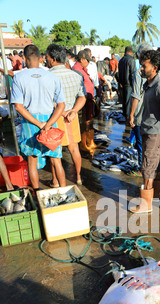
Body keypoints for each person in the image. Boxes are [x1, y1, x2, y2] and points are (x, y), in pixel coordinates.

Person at [10, 44, 66, 194]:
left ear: (25, 59)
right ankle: (65, 194)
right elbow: (61, 106)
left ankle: (37, 193)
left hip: (30, 122)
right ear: (40, 58)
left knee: (32, 161)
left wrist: (39, 124)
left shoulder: (19, 77)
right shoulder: (52, 77)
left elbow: (18, 107)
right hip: (50, 119)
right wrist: (48, 124)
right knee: (56, 160)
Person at [129, 50, 160, 214]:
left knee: (148, 167)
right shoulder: (147, 83)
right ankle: (153, 198)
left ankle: (145, 205)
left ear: (154, 67)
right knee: (154, 166)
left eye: (144, 66)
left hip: (155, 133)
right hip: (147, 129)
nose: (141, 68)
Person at [46, 44, 87, 187]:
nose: (46, 59)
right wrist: (73, 111)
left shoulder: (48, 76)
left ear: (53, 59)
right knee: (74, 148)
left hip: (55, 117)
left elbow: (49, 101)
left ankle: (56, 181)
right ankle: (79, 177)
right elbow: (82, 97)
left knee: (55, 152)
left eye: (47, 56)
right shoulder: (76, 75)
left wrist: (62, 112)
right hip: (71, 117)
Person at [128, 43, 153, 177]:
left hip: (141, 114)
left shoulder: (139, 72)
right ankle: (151, 167)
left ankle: (142, 169)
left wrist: (131, 114)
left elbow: (136, 95)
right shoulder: (156, 70)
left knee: (140, 143)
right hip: (154, 114)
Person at [72, 50, 99, 156]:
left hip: (88, 99)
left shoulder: (82, 69)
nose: (88, 62)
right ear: (82, 59)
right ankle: (83, 146)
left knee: (88, 121)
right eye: (87, 60)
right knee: (84, 123)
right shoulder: (76, 70)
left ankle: (89, 142)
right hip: (83, 100)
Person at [118, 46, 136, 119]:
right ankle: (128, 118)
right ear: (131, 52)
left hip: (122, 83)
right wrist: (134, 84)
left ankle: (125, 116)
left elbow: (118, 73)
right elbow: (132, 73)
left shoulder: (121, 60)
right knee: (128, 102)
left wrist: (120, 83)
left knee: (124, 101)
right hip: (129, 84)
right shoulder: (131, 60)